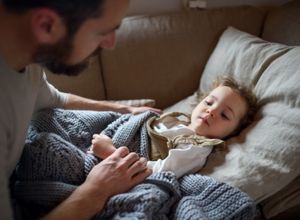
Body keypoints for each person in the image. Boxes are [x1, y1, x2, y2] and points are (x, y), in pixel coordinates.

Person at [0, 0, 161, 219]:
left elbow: (55, 99)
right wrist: (97, 190)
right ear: (47, 25)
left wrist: (125, 109)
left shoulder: (26, 59)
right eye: (103, 32)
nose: (110, 43)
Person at [89, 77, 257, 178]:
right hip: (109, 136)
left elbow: (159, 172)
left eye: (224, 115)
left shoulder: (197, 148)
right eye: (209, 102)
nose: (211, 111)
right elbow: (136, 124)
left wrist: (111, 153)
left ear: (231, 133)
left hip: (116, 158)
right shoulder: (174, 120)